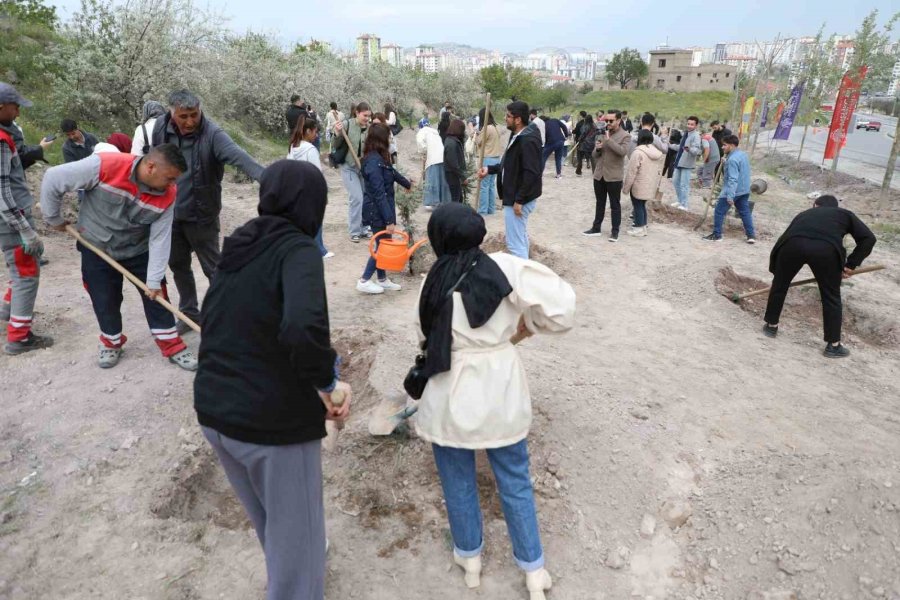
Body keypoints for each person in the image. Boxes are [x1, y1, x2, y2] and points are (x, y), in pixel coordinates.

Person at [194, 160, 352, 600]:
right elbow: (303, 328)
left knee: (275, 524)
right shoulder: (297, 250)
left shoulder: (240, 243)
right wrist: (329, 386)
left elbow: (216, 318)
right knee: (296, 548)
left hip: (215, 414)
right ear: (312, 206)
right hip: (271, 428)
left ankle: (297, 565)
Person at [414, 202, 576, 600]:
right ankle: (533, 570)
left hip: (449, 391)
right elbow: (563, 308)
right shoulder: (506, 267)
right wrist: (528, 325)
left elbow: (422, 341)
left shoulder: (430, 282)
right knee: (515, 479)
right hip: (500, 386)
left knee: (457, 480)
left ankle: (469, 558)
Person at [40, 144, 199, 369]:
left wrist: (153, 279)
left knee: (158, 297)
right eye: (170, 178)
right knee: (104, 299)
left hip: (138, 250)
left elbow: (160, 239)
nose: (172, 185)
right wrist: (53, 218)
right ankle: (111, 342)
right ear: (151, 166)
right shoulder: (105, 165)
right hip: (97, 248)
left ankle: (171, 344)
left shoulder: (168, 195)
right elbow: (53, 177)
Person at [151, 89, 264, 333]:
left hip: (202, 216)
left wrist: (270, 179)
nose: (190, 121)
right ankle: (190, 313)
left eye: (194, 114)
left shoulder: (213, 134)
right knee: (178, 266)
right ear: (172, 114)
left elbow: (240, 158)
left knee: (214, 268)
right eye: (184, 116)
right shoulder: (160, 128)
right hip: (170, 215)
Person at [762, 195, 876, 358]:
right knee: (831, 296)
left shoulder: (804, 213)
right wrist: (851, 264)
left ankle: (771, 326)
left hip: (792, 245)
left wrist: (776, 270)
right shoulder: (845, 214)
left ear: (815, 205)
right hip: (826, 250)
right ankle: (833, 345)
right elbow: (869, 238)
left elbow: (783, 238)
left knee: (780, 285)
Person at [0, 82, 53, 355]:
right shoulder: (1, 139)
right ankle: (19, 337)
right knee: (26, 274)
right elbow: (2, 192)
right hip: (12, 222)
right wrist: (25, 230)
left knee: (19, 269)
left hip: (8, 221)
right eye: (15, 106)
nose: (18, 111)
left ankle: (9, 309)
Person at [477, 101, 542, 259]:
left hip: (518, 199)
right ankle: (526, 271)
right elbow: (510, 164)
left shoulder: (528, 140)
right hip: (516, 196)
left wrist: (519, 200)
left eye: (508, 116)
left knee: (514, 243)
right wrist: (490, 169)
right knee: (520, 237)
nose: (505, 118)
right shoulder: (519, 135)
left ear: (518, 119)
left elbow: (531, 173)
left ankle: (521, 279)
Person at [356, 123, 411, 295]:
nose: (390, 139)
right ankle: (364, 280)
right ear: (381, 139)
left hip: (381, 208)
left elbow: (392, 173)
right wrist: (389, 220)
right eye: (388, 136)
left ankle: (381, 279)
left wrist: (407, 183)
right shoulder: (373, 162)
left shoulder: (380, 158)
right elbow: (379, 194)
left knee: (383, 244)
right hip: (376, 210)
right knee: (381, 246)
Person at [288, 114, 333, 259]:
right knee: (316, 219)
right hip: (310, 189)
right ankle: (320, 250)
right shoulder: (310, 150)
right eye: (315, 131)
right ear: (308, 131)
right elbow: (317, 172)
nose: (316, 135)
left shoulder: (293, 146)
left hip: (296, 188)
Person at [583, 110, 630, 242]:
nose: (607, 123)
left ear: (618, 121)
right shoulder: (602, 134)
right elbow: (594, 155)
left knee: (615, 205)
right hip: (599, 175)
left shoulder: (625, 136)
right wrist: (597, 148)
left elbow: (622, 152)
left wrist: (608, 141)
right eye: (606, 121)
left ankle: (615, 232)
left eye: (611, 121)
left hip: (614, 177)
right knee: (600, 203)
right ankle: (596, 228)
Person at [703, 134, 756, 243]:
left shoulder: (732, 160)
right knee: (745, 212)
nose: (722, 147)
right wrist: (725, 161)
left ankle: (717, 235)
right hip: (744, 189)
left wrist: (730, 196)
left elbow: (733, 179)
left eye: (724, 145)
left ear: (731, 145)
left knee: (719, 211)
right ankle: (751, 236)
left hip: (733, 190)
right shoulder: (742, 155)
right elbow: (739, 168)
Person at [332, 102, 371, 243]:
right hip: (349, 166)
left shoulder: (369, 129)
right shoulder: (346, 125)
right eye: (364, 115)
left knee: (365, 198)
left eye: (369, 116)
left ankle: (364, 228)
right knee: (356, 198)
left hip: (363, 167)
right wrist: (337, 133)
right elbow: (335, 144)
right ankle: (354, 231)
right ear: (357, 113)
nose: (367, 118)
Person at [622, 130, 664, 237]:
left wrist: (626, 188)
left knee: (637, 206)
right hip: (650, 185)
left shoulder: (637, 153)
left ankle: (639, 228)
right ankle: (643, 226)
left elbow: (631, 172)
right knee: (642, 205)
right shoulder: (656, 152)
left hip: (638, 184)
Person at [669, 116, 702, 210]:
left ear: (696, 125)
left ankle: (684, 205)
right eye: (688, 124)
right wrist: (670, 145)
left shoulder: (696, 136)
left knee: (684, 184)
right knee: (675, 182)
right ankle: (680, 201)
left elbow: (697, 150)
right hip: (679, 161)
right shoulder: (685, 134)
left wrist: (689, 149)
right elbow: (680, 147)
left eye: (692, 124)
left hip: (687, 163)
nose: (689, 126)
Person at [474, 107, 501, 215]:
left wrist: (475, 134)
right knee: (491, 185)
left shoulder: (487, 128)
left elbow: (479, 142)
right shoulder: (496, 126)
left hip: (487, 158)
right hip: (496, 158)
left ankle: (483, 210)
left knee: (484, 185)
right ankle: (491, 208)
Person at [417, 125, 450, 208]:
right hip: (442, 157)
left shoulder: (421, 132)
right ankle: (443, 201)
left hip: (432, 158)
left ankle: (433, 202)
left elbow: (421, 145)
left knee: (432, 179)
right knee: (441, 179)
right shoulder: (435, 133)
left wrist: (423, 154)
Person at [443, 119, 466, 203]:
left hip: (453, 174)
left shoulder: (452, 140)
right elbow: (453, 164)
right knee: (455, 198)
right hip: (452, 175)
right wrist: (463, 177)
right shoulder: (451, 143)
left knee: (458, 197)